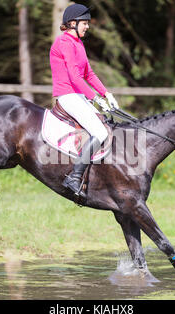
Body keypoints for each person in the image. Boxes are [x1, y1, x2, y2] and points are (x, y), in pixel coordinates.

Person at [50, 3, 120, 199]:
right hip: (67, 95)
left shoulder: (78, 43)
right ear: (72, 23)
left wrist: (106, 94)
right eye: (85, 23)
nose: (87, 26)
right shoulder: (64, 42)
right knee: (98, 131)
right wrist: (95, 98)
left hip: (78, 95)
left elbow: (88, 73)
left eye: (88, 23)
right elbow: (74, 77)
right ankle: (74, 177)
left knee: (106, 126)